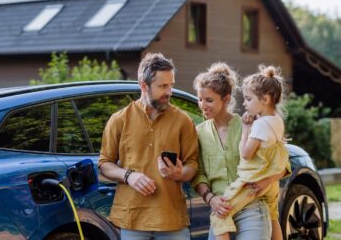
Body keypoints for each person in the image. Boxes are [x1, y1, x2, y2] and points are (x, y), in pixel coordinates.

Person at [98, 52, 199, 240]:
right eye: (163, 86)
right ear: (143, 85)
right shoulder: (119, 119)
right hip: (132, 218)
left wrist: (180, 173)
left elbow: (192, 164)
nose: (169, 92)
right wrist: (129, 176)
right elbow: (105, 163)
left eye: (171, 85)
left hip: (172, 219)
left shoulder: (183, 121)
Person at [192, 62, 289, 240]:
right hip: (221, 211)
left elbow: (281, 164)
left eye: (209, 100)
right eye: (200, 99)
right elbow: (199, 174)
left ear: (226, 99)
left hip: (251, 206)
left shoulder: (252, 125)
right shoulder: (199, 133)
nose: (202, 105)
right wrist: (211, 199)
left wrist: (265, 182)